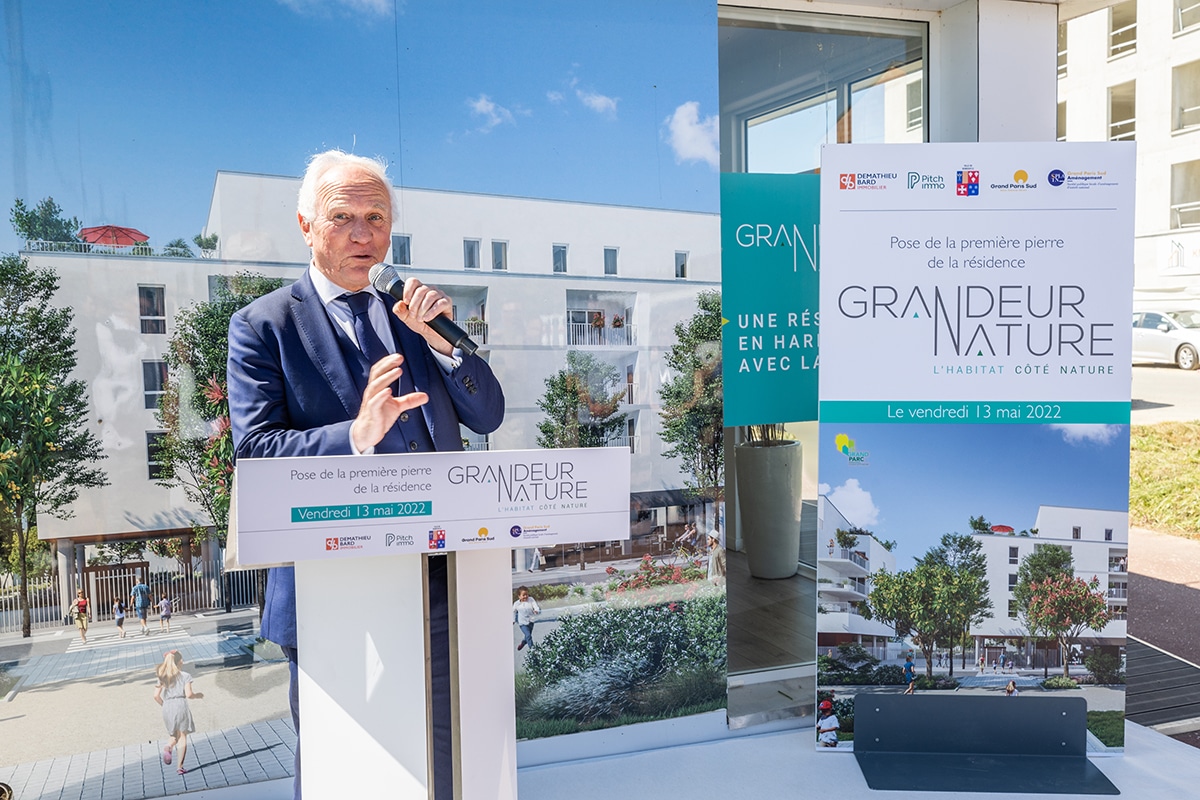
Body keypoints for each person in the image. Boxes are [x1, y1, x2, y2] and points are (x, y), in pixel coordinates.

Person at [227, 149, 504, 800]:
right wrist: (356, 435)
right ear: (305, 226)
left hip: (439, 582)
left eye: (376, 218)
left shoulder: (413, 315)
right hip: (330, 590)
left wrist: (442, 343)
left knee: (443, 763)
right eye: (342, 217)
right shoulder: (263, 326)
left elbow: (487, 413)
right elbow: (257, 451)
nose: (362, 234)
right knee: (344, 771)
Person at [154, 650, 204, 775]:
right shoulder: (185, 676)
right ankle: (180, 767)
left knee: (173, 734)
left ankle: (168, 746)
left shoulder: (162, 676)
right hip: (180, 704)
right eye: (182, 659)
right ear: (179, 661)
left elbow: (156, 696)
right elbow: (189, 694)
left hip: (167, 706)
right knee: (182, 736)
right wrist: (198, 695)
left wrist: (164, 705)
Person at [512, 587, 541, 651]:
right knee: (528, 636)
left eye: (527, 594)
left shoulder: (531, 599)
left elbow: (535, 606)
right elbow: (513, 612)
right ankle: (533, 650)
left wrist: (536, 610)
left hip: (531, 621)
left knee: (528, 636)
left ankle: (523, 642)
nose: (525, 596)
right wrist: (513, 620)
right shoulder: (516, 604)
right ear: (519, 596)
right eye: (523, 595)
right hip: (522, 623)